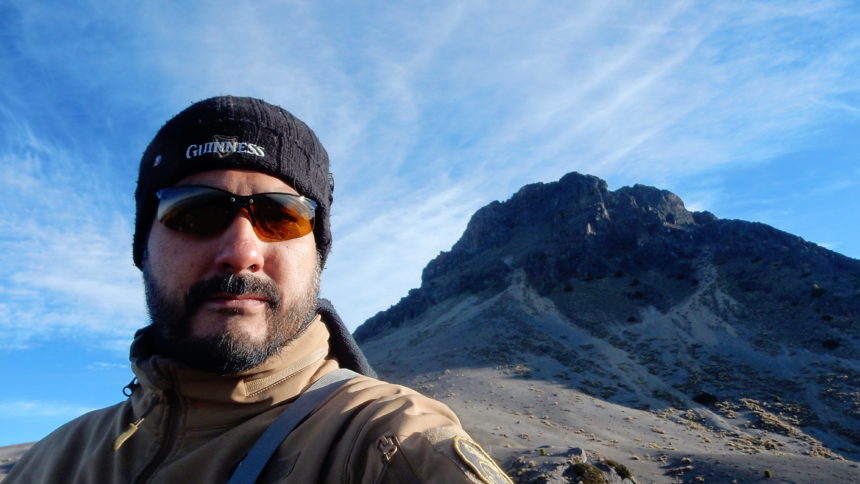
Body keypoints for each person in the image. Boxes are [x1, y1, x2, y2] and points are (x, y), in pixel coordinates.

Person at [6, 96, 511, 484]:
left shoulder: (391, 445)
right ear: (144, 248)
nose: (240, 250)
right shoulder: (57, 461)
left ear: (318, 254)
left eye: (281, 216)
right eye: (194, 212)